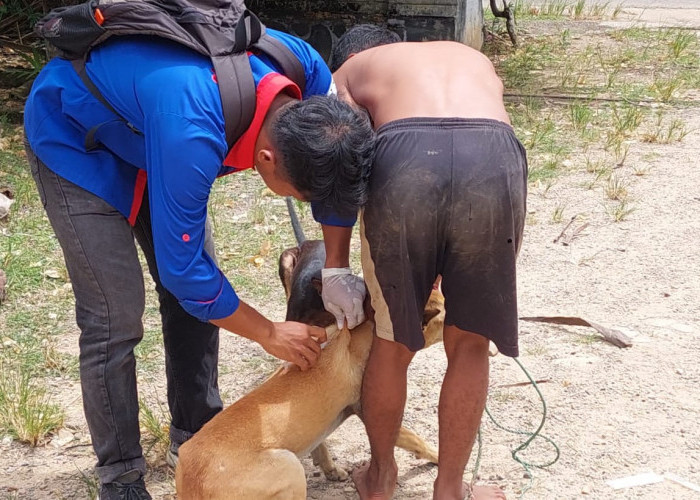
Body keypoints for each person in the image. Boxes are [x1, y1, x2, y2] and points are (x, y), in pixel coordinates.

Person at [23, 27, 374, 499]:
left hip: (157, 129)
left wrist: (335, 267)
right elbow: (186, 271)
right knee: (116, 316)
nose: (306, 204)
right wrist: (269, 332)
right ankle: (121, 478)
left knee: (194, 301)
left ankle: (196, 432)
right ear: (266, 160)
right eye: (298, 195)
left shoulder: (307, 70)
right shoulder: (192, 132)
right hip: (77, 140)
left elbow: (338, 175)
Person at [315, 25, 528, 500]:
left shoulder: (347, 73)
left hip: (405, 158)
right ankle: (450, 489)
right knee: (471, 343)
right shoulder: (467, 56)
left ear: (355, 54)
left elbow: (340, 169)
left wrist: (335, 266)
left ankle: (381, 477)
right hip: (493, 155)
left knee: (392, 342)